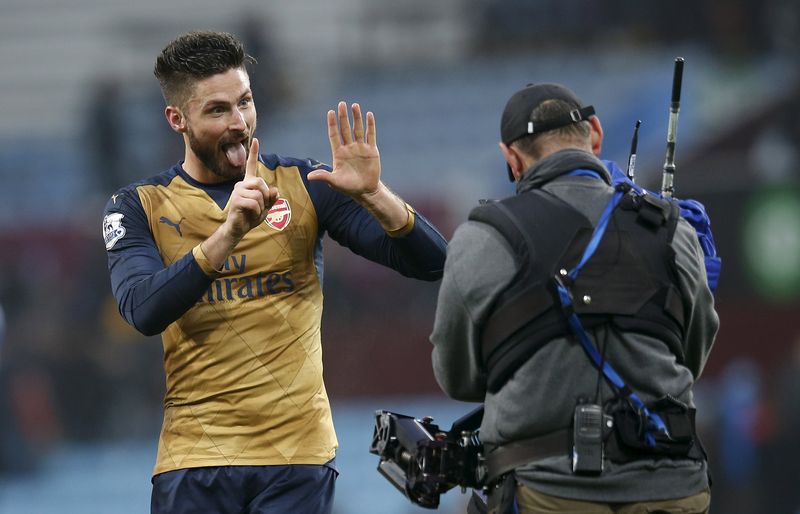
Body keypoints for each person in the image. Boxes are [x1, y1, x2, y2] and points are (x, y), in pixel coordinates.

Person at [101, 31, 447, 514]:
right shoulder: (138, 205)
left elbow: (435, 264)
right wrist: (229, 233)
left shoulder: (305, 185)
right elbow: (142, 309)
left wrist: (375, 195)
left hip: (296, 458)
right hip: (195, 457)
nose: (240, 122)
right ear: (177, 119)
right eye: (218, 110)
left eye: (245, 102)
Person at [430, 83, 719, 513]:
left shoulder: (483, 236)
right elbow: (692, 355)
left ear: (511, 159)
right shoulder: (673, 230)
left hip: (548, 490)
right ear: (595, 135)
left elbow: (458, 378)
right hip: (674, 486)